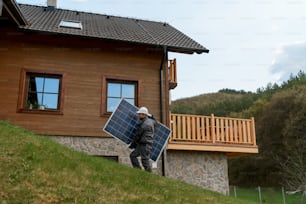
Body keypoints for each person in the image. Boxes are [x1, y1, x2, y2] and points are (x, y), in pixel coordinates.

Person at [129, 106, 157, 172]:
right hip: (143, 144)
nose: (138, 115)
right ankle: (138, 171)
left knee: (144, 160)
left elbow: (138, 136)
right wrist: (152, 116)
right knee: (133, 155)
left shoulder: (144, 125)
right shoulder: (151, 121)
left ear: (144, 115)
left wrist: (132, 145)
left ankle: (149, 175)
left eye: (140, 114)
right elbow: (156, 122)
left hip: (145, 145)